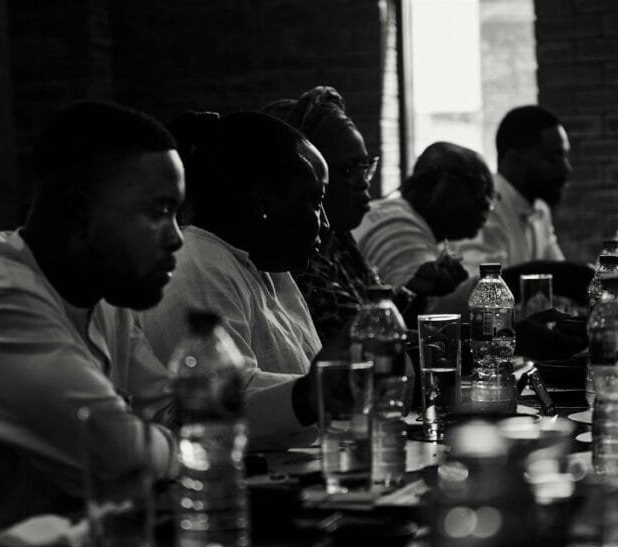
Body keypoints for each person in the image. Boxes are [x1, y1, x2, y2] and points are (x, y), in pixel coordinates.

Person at [0, 101, 182, 543]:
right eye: (159, 211)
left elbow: (169, 410)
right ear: (77, 214)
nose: (177, 236)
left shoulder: (104, 294)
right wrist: (188, 445)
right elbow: (122, 460)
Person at [139, 111, 329, 447]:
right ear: (263, 202)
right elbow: (217, 405)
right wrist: (319, 390)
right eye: (315, 201)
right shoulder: (195, 265)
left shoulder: (269, 268)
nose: (325, 223)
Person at [266, 87, 466, 341]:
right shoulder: (294, 260)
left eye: (366, 167)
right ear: (312, 177)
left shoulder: (340, 240)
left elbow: (376, 321)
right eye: (349, 170)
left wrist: (414, 291)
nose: (363, 183)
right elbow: (369, 341)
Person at [351, 141, 490, 314]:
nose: (486, 203)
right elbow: (427, 316)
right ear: (429, 183)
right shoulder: (399, 227)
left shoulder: (390, 213)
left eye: (490, 195)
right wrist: (514, 281)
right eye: (476, 187)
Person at [454, 105, 571, 267]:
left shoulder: (540, 209)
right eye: (553, 158)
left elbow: (562, 277)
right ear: (514, 160)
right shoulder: (483, 207)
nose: (566, 168)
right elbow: (484, 286)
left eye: (565, 157)